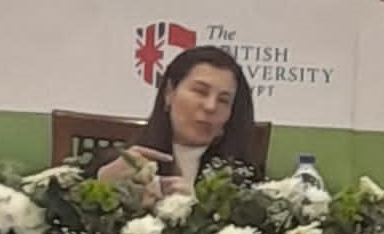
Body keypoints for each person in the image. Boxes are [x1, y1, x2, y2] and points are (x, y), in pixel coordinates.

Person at [94, 45, 260, 192]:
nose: (210, 106)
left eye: (223, 100)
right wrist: (104, 187)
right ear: (169, 92)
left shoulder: (245, 185)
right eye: (200, 91)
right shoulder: (118, 166)